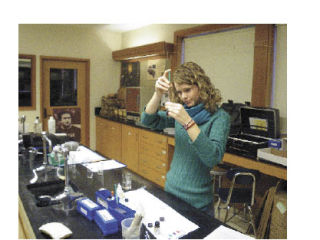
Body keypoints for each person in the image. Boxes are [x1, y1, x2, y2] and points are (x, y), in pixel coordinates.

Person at [141, 62, 230, 216]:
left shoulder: (220, 117)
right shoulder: (182, 111)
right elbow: (148, 120)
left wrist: (188, 123)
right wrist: (157, 94)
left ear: (201, 86)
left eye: (187, 90)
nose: (183, 96)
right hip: (171, 192)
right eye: (179, 92)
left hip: (198, 202)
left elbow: (213, 158)